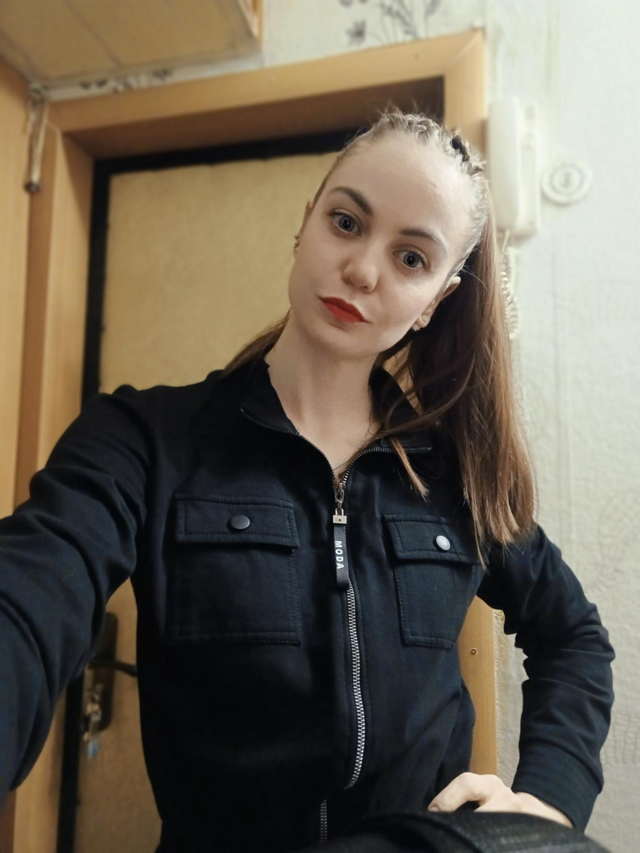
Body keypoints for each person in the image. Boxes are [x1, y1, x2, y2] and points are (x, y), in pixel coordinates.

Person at [0, 107, 615, 853]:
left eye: (411, 258)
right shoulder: (143, 440)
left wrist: (545, 805)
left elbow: (573, 635)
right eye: (347, 223)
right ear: (305, 223)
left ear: (436, 301)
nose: (363, 271)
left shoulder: (453, 472)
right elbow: (27, 599)